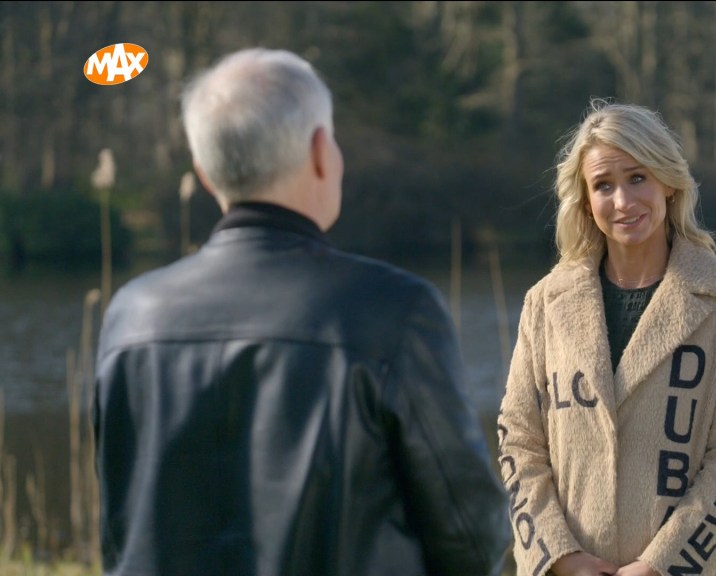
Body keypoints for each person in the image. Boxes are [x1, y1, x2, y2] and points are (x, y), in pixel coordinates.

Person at [93, 47, 509, 576]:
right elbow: (471, 539)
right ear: (320, 151)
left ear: (204, 173)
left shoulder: (131, 317)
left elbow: (122, 533)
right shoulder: (393, 311)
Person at [496, 99, 716, 576]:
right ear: (585, 200)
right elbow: (518, 443)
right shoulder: (544, 304)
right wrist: (560, 557)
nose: (623, 201)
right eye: (604, 185)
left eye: (637, 177)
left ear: (668, 182)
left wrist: (659, 566)